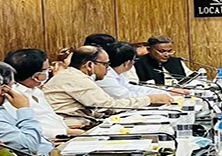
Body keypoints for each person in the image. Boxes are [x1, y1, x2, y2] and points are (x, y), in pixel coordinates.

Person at [44, 46, 172, 126]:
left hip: (81, 123)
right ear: (89, 65)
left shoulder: (75, 75)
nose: (108, 69)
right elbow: (110, 105)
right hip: (71, 128)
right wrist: (150, 99)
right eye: (105, 65)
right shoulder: (75, 78)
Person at [0, 60, 53, 156]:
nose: (15, 89)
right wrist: (24, 108)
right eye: (13, 85)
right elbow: (29, 146)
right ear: (3, 89)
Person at [4, 48, 76, 139]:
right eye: (46, 70)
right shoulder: (13, 96)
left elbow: (49, 117)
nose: (50, 71)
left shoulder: (35, 90)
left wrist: (69, 129)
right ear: (36, 76)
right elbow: (34, 129)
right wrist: (67, 132)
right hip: (49, 139)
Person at [97, 42, 187, 99]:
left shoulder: (116, 73)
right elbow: (125, 96)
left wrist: (168, 92)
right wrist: (157, 97)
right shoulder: (105, 76)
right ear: (127, 63)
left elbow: (132, 88)